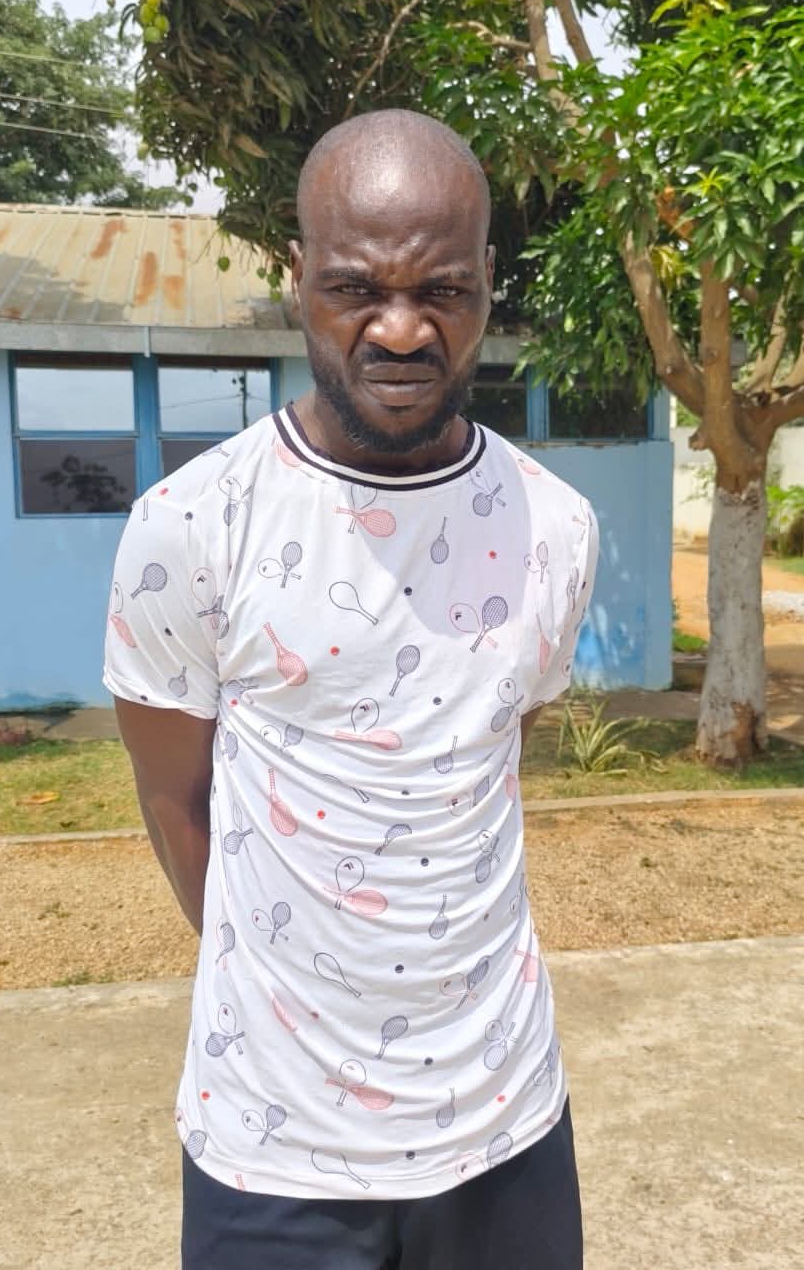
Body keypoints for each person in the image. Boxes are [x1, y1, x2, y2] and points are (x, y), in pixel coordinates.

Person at [103, 108, 598, 1270]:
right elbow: (175, 803)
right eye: (355, 288)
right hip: (274, 1149)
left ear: (488, 283)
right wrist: (297, 1002)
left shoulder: (554, 528)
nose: (401, 328)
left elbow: (485, 757)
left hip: (505, 1126)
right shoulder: (191, 527)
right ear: (296, 279)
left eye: (443, 290)